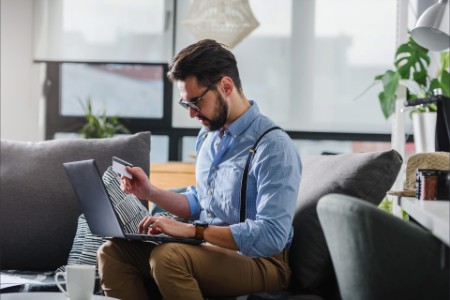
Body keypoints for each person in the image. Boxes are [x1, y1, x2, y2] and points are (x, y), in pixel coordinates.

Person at [97, 39, 302, 300]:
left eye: (196, 102)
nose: (192, 114)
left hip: (262, 261)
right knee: (113, 252)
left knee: (168, 257)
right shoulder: (208, 137)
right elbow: (200, 201)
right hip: (208, 248)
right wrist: (149, 192)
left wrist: (194, 231)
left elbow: (272, 235)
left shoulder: (272, 146)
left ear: (225, 86)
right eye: (187, 105)